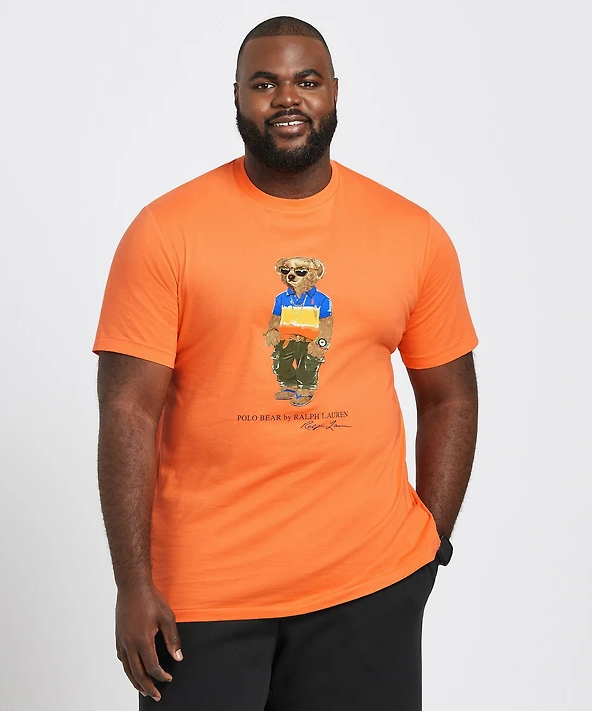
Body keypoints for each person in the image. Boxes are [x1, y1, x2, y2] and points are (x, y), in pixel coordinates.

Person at [93, 15, 479, 711]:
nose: (287, 98)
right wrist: (132, 583)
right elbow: (127, 411)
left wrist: (432, 541)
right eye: (264, 83)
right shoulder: (165, 232)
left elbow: (450, 394)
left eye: (306, 80)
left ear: (334, 92)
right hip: (203, 596)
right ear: (237, 97)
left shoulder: (412, 233)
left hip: (369, 588)